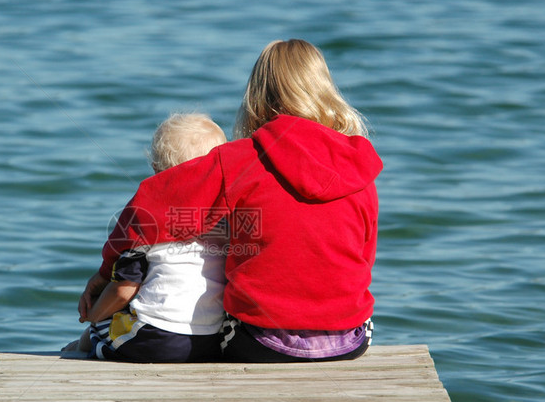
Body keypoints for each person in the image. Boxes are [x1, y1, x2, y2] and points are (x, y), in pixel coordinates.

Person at [79, 39, 382, 362]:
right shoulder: (358, 166)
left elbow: (149, 208)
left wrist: (107, 270)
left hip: (262, 344)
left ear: (258, 95)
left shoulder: (239, 160)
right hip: (349, 342)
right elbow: (364, 258)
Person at [69, 113, 228, 362]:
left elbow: (124, 290)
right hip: (213, 341)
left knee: (99, 328)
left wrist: (93, 317)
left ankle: (84, 346)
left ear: (156, 171)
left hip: (156, 338)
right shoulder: (227, 222)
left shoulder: (148, 221)